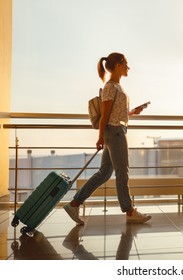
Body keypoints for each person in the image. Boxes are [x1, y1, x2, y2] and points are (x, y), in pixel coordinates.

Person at [64, 52, 151, 225]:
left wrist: (132, 112)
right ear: (118, 65)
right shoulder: (110, 87)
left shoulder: (117, 87)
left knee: (104, 174)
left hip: (116, 130)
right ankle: (129, 211)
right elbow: (104, 116)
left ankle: (74, 203)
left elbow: (115, 112)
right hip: (115, 133)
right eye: (126, 63)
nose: (128, 66)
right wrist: (100, 137)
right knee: (122, 172)